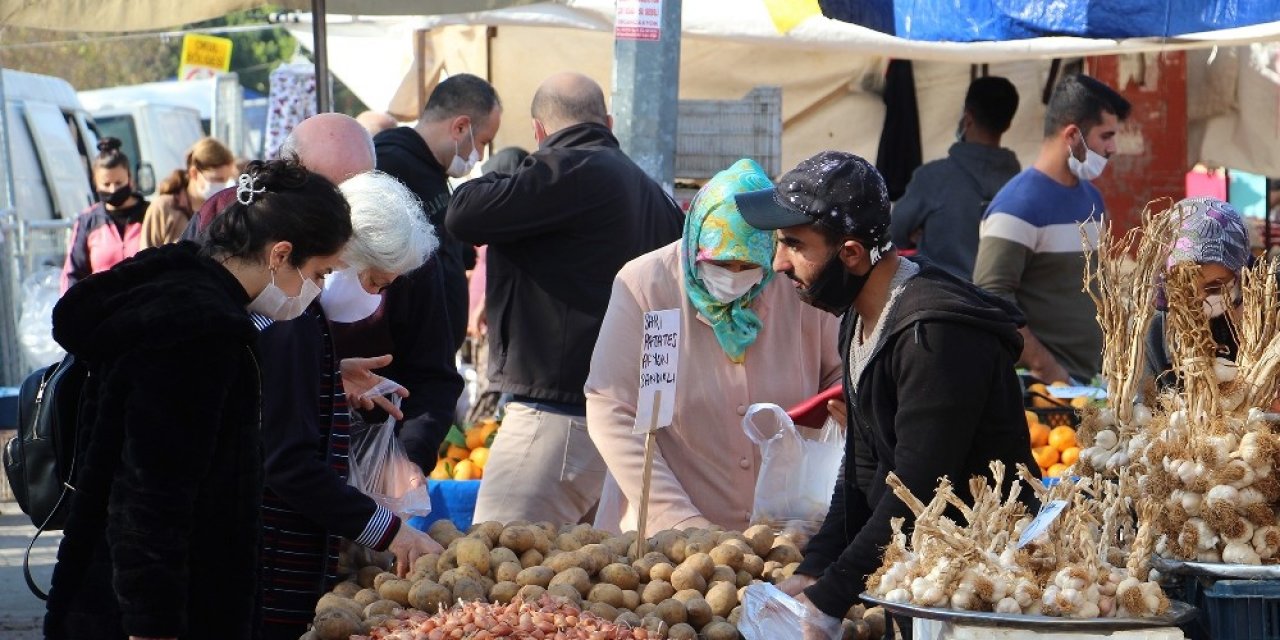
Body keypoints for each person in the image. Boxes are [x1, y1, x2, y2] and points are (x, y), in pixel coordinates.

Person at [44, 158, 353, 640]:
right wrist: (153, 628)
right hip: (162, 613)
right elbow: (150, 497)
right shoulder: (198, 331)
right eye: (320, 272)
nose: (318, 289)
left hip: (138, 595)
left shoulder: (188, 295)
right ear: (280, 254)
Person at [736, 150, 1036, 633]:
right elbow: (862, 468)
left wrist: (830, 597)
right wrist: (816, 567)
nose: (779, 263)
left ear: (851, 254)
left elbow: (919, 490)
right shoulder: (858, 316)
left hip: (986, 590)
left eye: (794, 244)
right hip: (927, 576)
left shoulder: (934, 336)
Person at [446, 71, 683, 525]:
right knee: (583, 570)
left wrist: (502, 171)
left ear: (539, 131)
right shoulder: (654, 194)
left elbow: (463, 213)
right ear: (608, 122)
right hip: (626, 424)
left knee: (496, 556)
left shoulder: (567, 168)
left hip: (556, 417)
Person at [585, 158, 841, 534]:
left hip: (784, 531)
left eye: (749, 266)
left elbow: (839, 376)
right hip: (664, 538)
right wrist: (679, 520)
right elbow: (611, 408)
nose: (734, 276)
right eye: (721, 263)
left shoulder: (796, 284)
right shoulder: (646, 285)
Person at [257, 170, 442, 640]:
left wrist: (331, 378)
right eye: (374, 282)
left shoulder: (299, 316)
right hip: (272, 554)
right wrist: (389, 530)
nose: (378, 296)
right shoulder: (286, 318)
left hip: (298, 547)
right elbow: (289, 464)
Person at [973, 74, 1131, 384]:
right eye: (1106, 136)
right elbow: (991, 299)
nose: (1112, 147)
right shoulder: (1016, 206)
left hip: (1094, 385)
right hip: (1045, 393)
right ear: (1072, 135)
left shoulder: (1093, 198)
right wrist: (1047, 370)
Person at [375, 73, 503, 350]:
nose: (481, 155)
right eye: (483, 141)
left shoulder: (434, 170)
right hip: (405, 356)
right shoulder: (389, 165)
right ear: (460, 127)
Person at [890, 76, 1021, 280]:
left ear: (967, 118)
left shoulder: (933, 178)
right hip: (1000, 298)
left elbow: (893, 233)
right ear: (1008, 124)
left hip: (940, 294)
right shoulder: (1020, 185)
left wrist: (922, 233)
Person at [181, 113, 378, 241]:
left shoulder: (372, 229)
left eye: (354, 194)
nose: (342, 210)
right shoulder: (223, 213)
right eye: (329, 193)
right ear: (291, 172)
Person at [1146, 196, 1250, 389]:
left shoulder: (1269, 314)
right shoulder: (1156, 331)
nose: (1200, 298)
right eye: (1186, 288)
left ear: (1239, 272)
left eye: (1215, 287)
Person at [60, 137, 149, 293]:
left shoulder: (150, 214)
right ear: (96, 184)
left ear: (130, 178)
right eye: (106, 184)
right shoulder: (88, 220)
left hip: (146, 301)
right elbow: (73, 273)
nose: (113, 189)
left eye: (119, 183)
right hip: (103, 304)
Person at [140, 137, 236, 249]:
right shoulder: (163, 208)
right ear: (194, 173)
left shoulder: (227, 212)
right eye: (217, 179)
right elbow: (145, 254)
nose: (223, 185)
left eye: (227, 179)